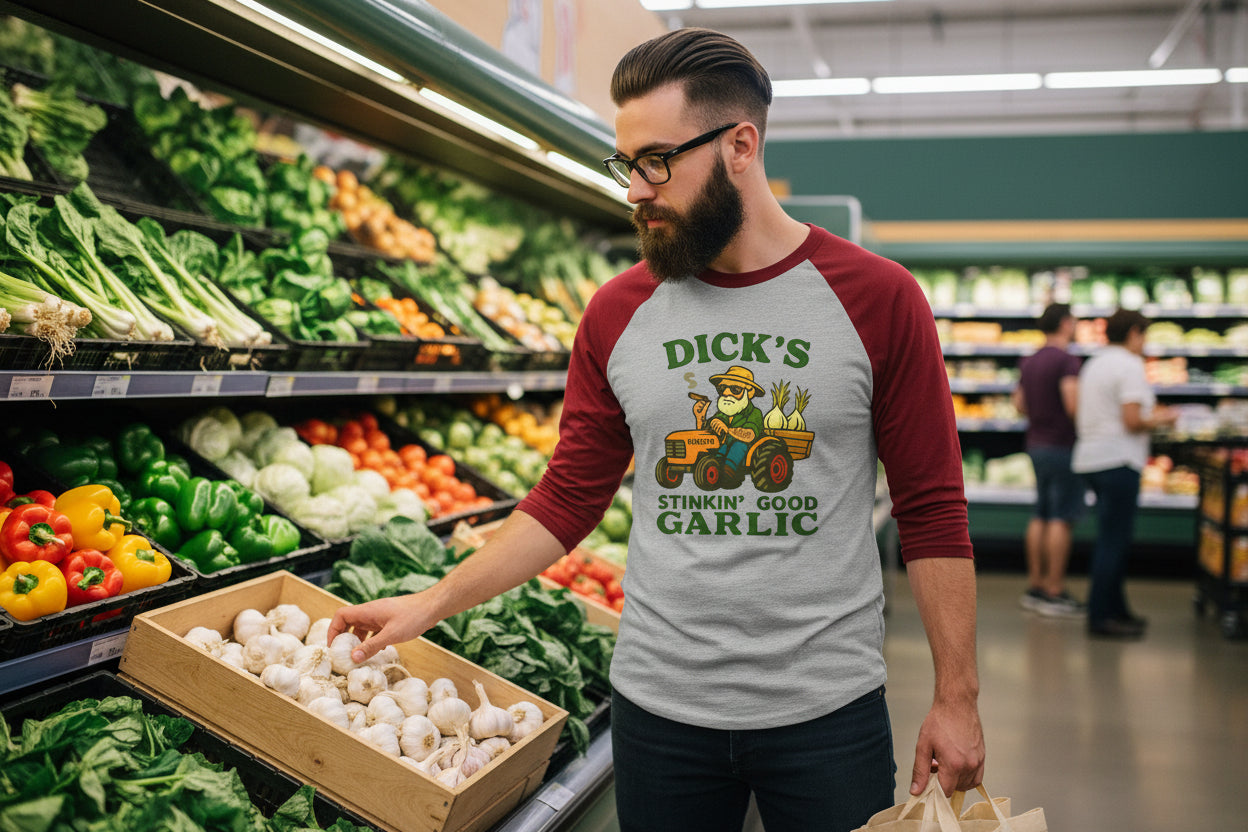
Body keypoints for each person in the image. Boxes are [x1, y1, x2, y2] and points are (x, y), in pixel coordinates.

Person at [329, 27, 984, 832]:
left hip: (827, 710)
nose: (635, 189)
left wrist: (957, 698)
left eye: (656, 162)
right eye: (626, 164)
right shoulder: (616, 311)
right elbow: (567, 497)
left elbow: (931, 508)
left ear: (740, 145)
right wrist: (433, 602)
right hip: (660, 710)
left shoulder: (878, 297)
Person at [1072, 308, 1177, 638]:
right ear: (1133, 332)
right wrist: (1165, 418)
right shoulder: (1130, 365)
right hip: (1118, 460)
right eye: (1143, 334)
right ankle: (1101, 617)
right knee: (1114, 542)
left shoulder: (1094, 363)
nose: (1144, 342)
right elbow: (1132, 420)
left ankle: (1117, 611)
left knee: (1109, 537)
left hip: (1091, 459)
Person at [1012, 303, 1086, 617]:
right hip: (1063, 445)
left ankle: (1036, 584)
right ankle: (1055, 590)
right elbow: (1073, 405)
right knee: (1061, 516)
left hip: (1036, 444)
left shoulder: (1030, 360)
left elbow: (1019, 404)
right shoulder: (1067, 360)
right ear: (1066, 323)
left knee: (1040, 513)